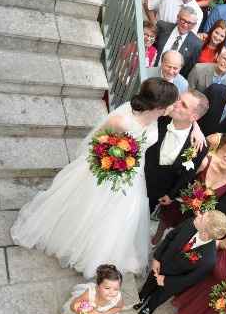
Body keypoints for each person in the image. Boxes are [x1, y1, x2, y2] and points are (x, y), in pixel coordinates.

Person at [11, 78, 178, 277]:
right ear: (159, 106)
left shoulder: (160, 114)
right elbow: (98, 142)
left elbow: (189, 115)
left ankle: (104, 250)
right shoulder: (122, 119)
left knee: (119, 216)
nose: (174, 106)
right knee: (89, 208)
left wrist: (197, 130)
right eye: (172, 103)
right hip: (109, 168)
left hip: (134, 172)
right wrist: (115, 162)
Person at [134, 210, 226, 314]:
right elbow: (170, 237)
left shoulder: (209, 259)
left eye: (202, 217)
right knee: (150, 281)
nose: (198, 215)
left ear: (205, 233)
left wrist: (166, 280)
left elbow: (191, 279)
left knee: (161, 295)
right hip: (162, 264)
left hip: (173, 281)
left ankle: (150, 306)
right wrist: (157, 258)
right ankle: (142, 296)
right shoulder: (191, 223)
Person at [152, 143, 226, 243]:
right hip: (179, 203)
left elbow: (222, 201)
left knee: (179, 235)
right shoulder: (206, 162)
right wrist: (171, 195)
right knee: (163, 224)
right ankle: (156, 240)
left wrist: (204, 213)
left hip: (197, 216)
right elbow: (183, 180)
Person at [144, 89, 209, 213]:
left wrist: (172, 194)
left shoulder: (198, 145)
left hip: (155, 191)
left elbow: (188, 174)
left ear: (194, 117)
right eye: (178, 99)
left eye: (183, 105)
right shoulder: (159, 116)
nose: (176, 103)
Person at [60, 264, 124, 314]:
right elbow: (73, 306)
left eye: (116, 289)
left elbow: (119, 307)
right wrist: (88, 313)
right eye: (107, 288)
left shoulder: (117, 297)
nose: (111, 292)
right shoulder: (90, 294)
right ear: (98, 287)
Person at [152, 6, 203, 76]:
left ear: (194, 25)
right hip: (151, 71)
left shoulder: (197, 44)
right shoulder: (162, 27)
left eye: (189, 23)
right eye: (183, 20)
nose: (185, 25)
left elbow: (187, 70)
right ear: (178, 18)